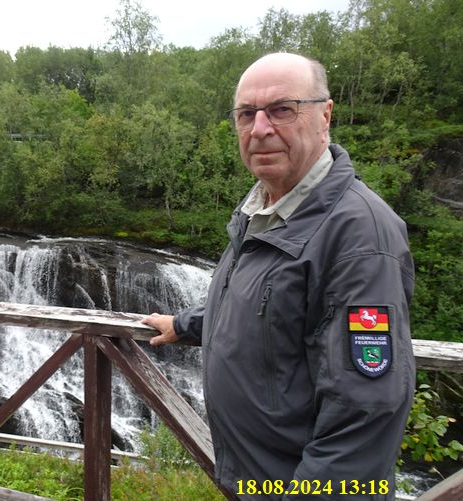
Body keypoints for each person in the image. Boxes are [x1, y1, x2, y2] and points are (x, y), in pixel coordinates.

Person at [142, 52, 415, 500]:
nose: (261, 128)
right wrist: (183, 325)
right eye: (246, 114)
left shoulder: (359, 235)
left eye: (282, 109)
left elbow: (364, 414)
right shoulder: (264, 210)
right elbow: (257, 308)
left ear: (325, 115)